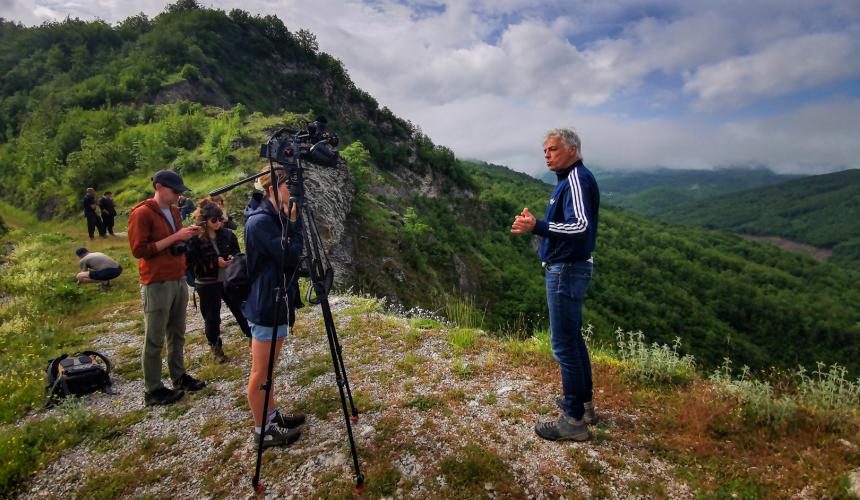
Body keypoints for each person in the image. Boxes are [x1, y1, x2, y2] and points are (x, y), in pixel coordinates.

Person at [511, 128, 600, 442]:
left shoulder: (576, 178)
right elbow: (567, 225)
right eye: (545, 151)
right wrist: (537, 226)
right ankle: (583, 406)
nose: (547, 155)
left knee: (563, 345)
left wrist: (538, 225)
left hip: (566, 271)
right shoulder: (567, 180)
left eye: (552, 149)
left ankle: (573, 421)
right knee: (572, 340)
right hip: (568, 269)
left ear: (572, 149)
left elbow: (580, 225)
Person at [128, 169, 207, 406]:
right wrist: (175, 237)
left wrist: (189, 236)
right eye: (175, 192)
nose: (178, 197)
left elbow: (174, 242)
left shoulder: (174, 211)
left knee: (177, 332)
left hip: (177, 277)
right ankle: (152, 389)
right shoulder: (142, 214)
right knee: (154, 337)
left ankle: (179, 375)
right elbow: (139, 250)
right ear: (160, 187)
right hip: (156, 282)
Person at [242, 166, 306, 448]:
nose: (291, 191)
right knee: (261, 372)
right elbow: (290, 256)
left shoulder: (271, 218)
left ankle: (270, 415)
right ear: (271, 190)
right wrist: (296, 225)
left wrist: (290, 223)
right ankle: (261, 431)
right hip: (267, 302)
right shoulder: (260, 223)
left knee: (269, 369)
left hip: (275, 299)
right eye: (286, 186)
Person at [186, 199, 251, 363]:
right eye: (213, 220)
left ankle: (253, 338)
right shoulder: (195, 238)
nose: (217, 223)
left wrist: (232, 258)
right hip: (207, 282)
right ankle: (216, 348)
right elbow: (191, 263)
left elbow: (237, 253)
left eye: (220, 220)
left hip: (229, 279)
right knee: (212, 317)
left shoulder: (228, 234)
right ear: (205, 221)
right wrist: (215, 263)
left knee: (241, 310)